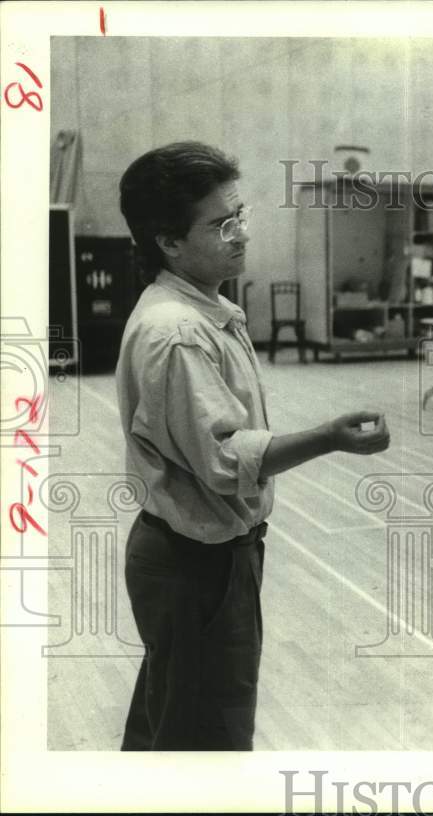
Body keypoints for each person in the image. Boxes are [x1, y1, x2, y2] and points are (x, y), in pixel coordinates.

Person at [116, 142, 391, 750]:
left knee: (174, 724)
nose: (240, 234)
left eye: (241, 215)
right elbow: (223, 461)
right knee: (207, 745)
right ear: (168, 241)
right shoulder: (178, 332)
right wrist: (328, 437)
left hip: (203, 559)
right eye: (221, 224)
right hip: (196, 566)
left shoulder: (201, 305)